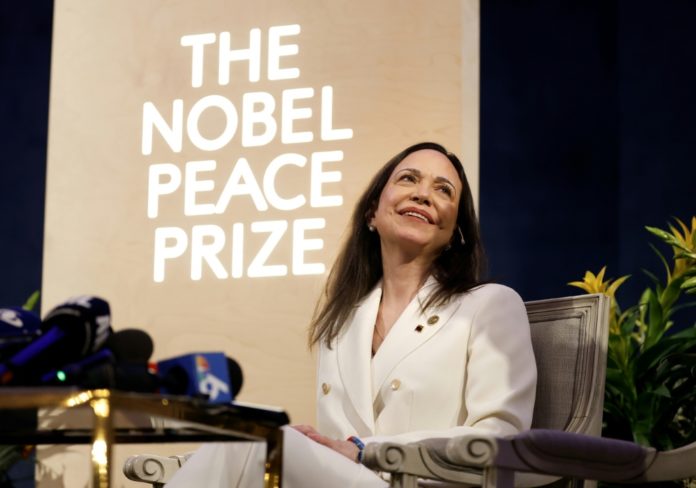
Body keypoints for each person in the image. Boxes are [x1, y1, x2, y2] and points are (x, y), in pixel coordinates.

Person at [165, 142, 537, 487]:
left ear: (454, 232)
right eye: (409, 179)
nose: (424, 194)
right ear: (372, 213)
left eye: (444, 190)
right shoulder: (340, 324)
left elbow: (501, 438)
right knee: (242, 437)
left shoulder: (490, 305)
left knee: (255, 443)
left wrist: (364, 449)